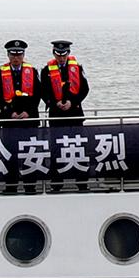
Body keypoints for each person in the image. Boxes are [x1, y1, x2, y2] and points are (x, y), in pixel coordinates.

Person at [41, 39, 90, 192]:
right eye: (58, 54)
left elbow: (85, 89)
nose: (61, 57)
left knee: (79, 147)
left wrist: (72, 102)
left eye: (64, 54)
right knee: (56, 148)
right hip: (56, 115)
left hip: (74, 113)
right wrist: (54, 103)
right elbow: (43, 91)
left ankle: (82, 182)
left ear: (68, 53)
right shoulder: (46, 70)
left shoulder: (77, 68)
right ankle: (56, 183)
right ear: (54, 53)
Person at [0, 39, 42, 194]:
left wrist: (29, 112)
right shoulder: (0, 73)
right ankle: (11, 185)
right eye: (13, 55)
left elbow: (37, 95)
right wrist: (10, 113)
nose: (16, 58)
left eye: (19, 55)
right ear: (8, 55)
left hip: (29, 120)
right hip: (10, 120)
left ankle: (30, 186)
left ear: (23, 55)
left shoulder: (32, 71)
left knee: (30, 153)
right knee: (9, 153)